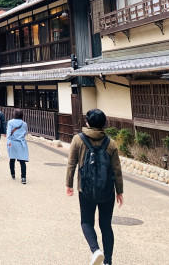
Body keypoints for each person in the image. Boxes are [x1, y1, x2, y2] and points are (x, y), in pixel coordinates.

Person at [66, 109, 124, 265]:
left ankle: (96, 250)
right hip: (107, 190)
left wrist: (69, 184)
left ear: (88, 123)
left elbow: (71, 164)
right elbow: (116, 169)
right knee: (106, 225)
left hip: (85, 189)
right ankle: (108, 261)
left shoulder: (78, 140)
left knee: (86, 222)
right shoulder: (110, 143)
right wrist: (119, 191)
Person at [6, 109, 29, 183]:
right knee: (22, 161)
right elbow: (26, 133)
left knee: (12, 159)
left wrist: (8, 142)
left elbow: (8, 133)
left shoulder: (10, 122)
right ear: (22, 115)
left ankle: (13, 174)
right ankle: (23, 178)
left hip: (12, 142)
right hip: (21, 143)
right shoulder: (24, 124)